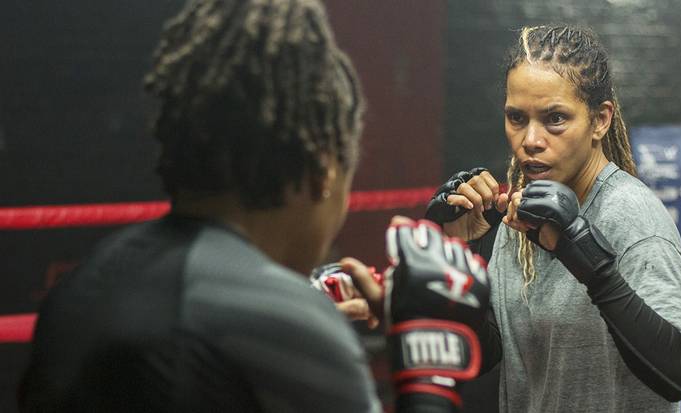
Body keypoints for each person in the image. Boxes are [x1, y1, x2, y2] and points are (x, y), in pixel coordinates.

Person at [18, 1, 488, 412]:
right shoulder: (283, 328)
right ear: (323, 169)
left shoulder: (77, 291)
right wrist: (428, 376)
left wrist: (295, 297)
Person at [425, 25, 681, 413]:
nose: (530, 139)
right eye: (517, 117)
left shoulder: (629, 214)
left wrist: (591, 264)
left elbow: (680, 371)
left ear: (600, 120)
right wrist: (458, 256)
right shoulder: (521, 210)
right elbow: (488, 353)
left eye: (555, 119)